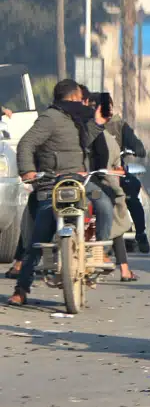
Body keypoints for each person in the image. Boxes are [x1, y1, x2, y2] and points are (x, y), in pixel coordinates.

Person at [9, 79, 109, 306]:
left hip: (78, 181)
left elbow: (82, 142)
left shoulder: (77, 119)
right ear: (72, 99)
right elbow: (26, 143)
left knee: (102, 205)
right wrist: (28, 171)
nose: (83, 104)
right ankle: (22, 288)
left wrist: (99, 124)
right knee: (39, 234)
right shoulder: (50, 118)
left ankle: (98, 253)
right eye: (79, 100)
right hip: (52, 183)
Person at [91, 93, 142, 278]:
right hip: (98, 182)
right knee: (115, 208)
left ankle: (141, 235)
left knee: (130, 197)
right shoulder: (91, 131)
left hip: (106, 179)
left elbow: (137, 147)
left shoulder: (118, 126)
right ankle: (119, 264)